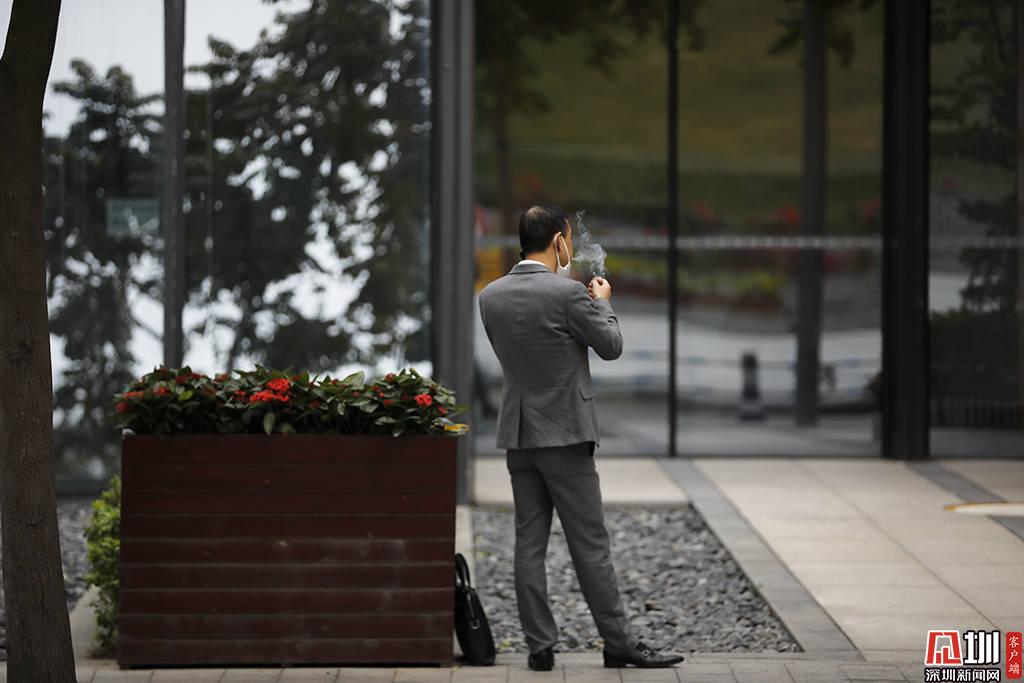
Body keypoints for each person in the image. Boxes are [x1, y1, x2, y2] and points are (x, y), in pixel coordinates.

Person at [477, 204, 685, 671]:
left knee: (528, 543)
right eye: (568, 238)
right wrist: (602, 301)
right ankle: (619, 643)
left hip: (519, 435)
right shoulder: (568, 293)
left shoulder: (490, 296)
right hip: (566, 434)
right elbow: (610, 347)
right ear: (558, 240)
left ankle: (540, 647)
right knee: (590, 544)